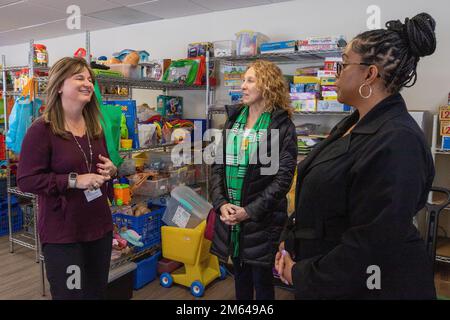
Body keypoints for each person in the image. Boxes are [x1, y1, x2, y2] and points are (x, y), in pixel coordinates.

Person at [275, 12, 437, 299]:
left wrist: (300, 273)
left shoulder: (398, 140)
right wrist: (290, 241)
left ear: (370, 74)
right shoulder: (355, 122)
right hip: (327, 274)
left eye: (344, 63)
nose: (337, 74)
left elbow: (372, 242)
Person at [17, 57, 117, 300]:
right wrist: (74, 180)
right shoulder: (42, 130)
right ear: (59, 85)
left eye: (90, 79)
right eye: (79, 78)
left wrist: (111, 171)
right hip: (64, 235)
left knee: (96, 293)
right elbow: (27, 180)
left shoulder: (95, 127)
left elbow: (103, 172)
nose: (88, 84)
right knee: (72, 295)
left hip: (98, 228)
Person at [210, 60, 297, 300]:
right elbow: (218, 166)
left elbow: (282, 179)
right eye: (243, 81)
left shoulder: (282, 126)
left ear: (268, 86)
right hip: (231, 220)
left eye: (250, 81)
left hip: (262, 221)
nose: (243, 86)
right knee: (240, 279)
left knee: (263, 283)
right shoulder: (233, 119)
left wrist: (249, 211)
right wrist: (220, 204)